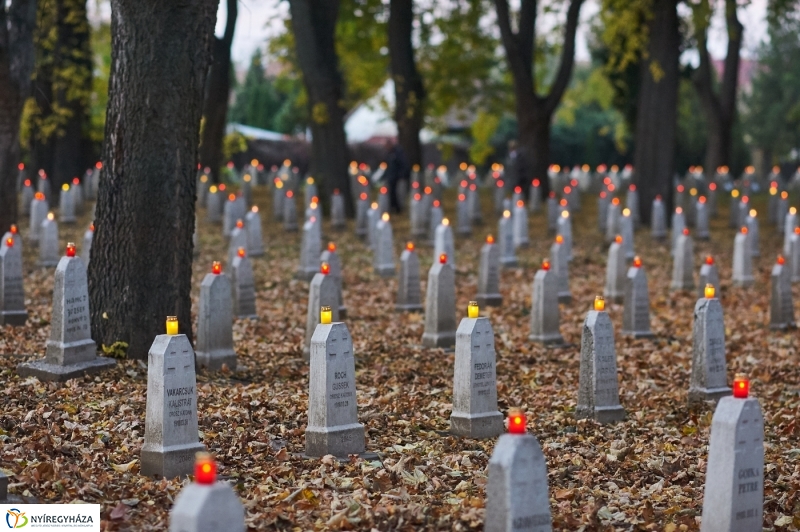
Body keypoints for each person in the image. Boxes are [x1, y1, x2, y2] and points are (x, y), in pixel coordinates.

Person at [384, 140, 410, 214]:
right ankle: (393, 207)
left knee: (398, 194)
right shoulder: (389, 153)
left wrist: (401, 175)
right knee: (391, 193)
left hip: (397, 177)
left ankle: (398, 208)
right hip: (391, 177)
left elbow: (403, 164)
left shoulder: (397, 153)